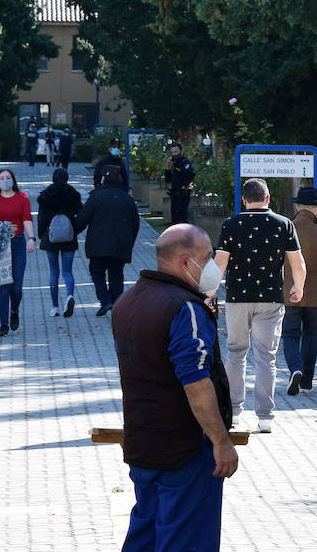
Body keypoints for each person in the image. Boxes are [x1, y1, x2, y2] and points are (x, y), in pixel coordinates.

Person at [113, 224, 238, 552]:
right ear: (186, 262)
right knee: (186, 541)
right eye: (208, 257)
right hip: (184, 451)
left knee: (146, 537)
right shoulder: (185, 308)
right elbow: (195, 381)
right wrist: (221, 442)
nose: (213, 265)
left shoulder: (129, 301)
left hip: (143, 444)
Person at [215, 178, 306, 433]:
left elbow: (220, 262)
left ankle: (233, 414)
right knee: (266, 356)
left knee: (236, 353)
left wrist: (208, 293)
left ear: (244, 200)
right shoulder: (284, 224)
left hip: (237, 299)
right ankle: (265, 416)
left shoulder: (231, 224)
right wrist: (299, 287)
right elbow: (297, 263)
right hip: (270, 298)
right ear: (267, 199)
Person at [283, 186, 317, 395]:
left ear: (298, 206)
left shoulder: (286, 229)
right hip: (315, 293)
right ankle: (307, 381)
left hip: (291, 291)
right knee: (312, 335)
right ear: (315, 208)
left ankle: (296, 368)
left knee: (290, 334)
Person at [74, 164, 140, 316]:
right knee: (116, 273)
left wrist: (73, 231)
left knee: (97, 272)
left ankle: (105, 300)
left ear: (103, 178)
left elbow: (82, 220)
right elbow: (135, 223)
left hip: (97, 245)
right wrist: (130, 243)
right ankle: (117, 304)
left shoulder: (95, 197)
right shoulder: (127, 198)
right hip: (120, 245)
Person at [0, 168, 35, 337]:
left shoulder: (22, 197)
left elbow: (27, 219)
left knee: (17, 287)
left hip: (18, 243)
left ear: (13, 180)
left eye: (8, 177)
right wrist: (2, 225)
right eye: (2, 178)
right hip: (1, 245)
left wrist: (31, 238)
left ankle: (14, 311)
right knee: (4, 286)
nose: (5, 180)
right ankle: (3, 323)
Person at [37, 167, 83, 318]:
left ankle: (55, 306)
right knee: (67, 271)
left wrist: (41, 234)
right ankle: (69, 295)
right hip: (69, 237)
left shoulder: (46, 195)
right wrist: (74, 230)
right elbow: (81, 215)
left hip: (51, 237)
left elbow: (42, 218)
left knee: (53, 271)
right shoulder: (73, 194)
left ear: (53, 178)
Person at [164, 141, 195, 224]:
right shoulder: (174, 164)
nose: (174, 154)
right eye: (172, 152)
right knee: (175, 220)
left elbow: (190, 175)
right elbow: (168, 180)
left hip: (183, 195)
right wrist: (167, 168)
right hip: (174, 195)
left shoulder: (185, 163)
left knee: (182, 220)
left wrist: (185, 186)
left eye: (176, 152)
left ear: (181, 152)